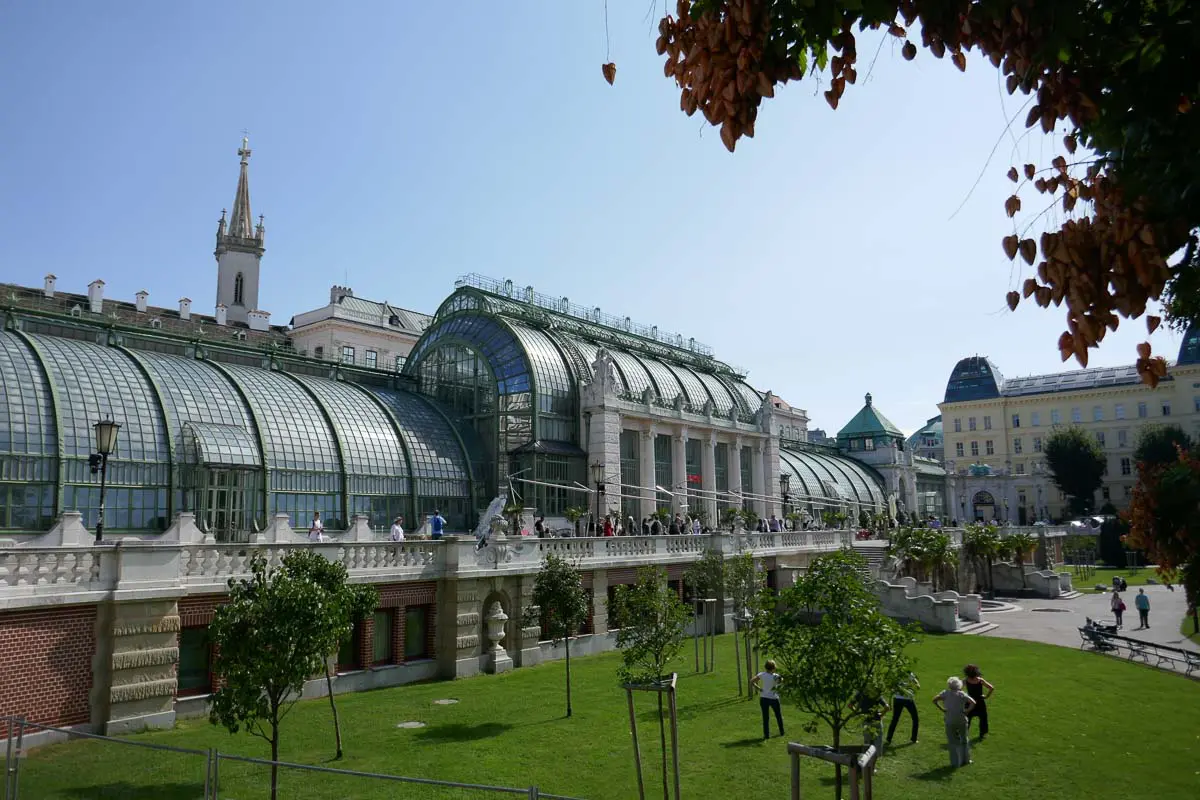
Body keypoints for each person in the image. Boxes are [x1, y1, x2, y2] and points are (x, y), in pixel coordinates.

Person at [933, 676, 976, 768]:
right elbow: (973, 702)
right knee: (964, 739)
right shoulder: (962, 694)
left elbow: (934, 700)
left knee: (953, 741)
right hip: (961, 719)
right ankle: (967, 759)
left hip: (949, 720)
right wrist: (967, 711)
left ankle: (956, 762)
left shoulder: (945, 693)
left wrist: (942, 709)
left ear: (949, 685)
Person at [751, 660, 784, 740]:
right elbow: (782, 682)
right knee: (778, 716)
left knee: (765, 718)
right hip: (774, 698)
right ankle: (782, 732)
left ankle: (766, 735)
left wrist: (759, 689)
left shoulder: (762, 674)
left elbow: (752, 681)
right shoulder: (776, 676)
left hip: (764, 698)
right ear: (773, 668)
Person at [886, 672, 920, 746]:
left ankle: (888, 739)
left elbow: (914, 680)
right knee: (915, 718)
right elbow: (914, 680)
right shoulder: (907, 673)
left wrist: (917, 683)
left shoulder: (897, 673)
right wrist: (917, 684)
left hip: (897, 699)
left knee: (895, 719)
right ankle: (914, 739)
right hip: (907, 699)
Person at [963, 664, 993, 739]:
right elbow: (991, 688)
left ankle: (963, 734)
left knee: (966, 719)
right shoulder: (980, 680)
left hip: (969, 702)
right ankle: (982, 734)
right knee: (983, 718)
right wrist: (986, 696)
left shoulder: (966, 680)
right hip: (980, 701)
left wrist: (964, 695)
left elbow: (958, 688)